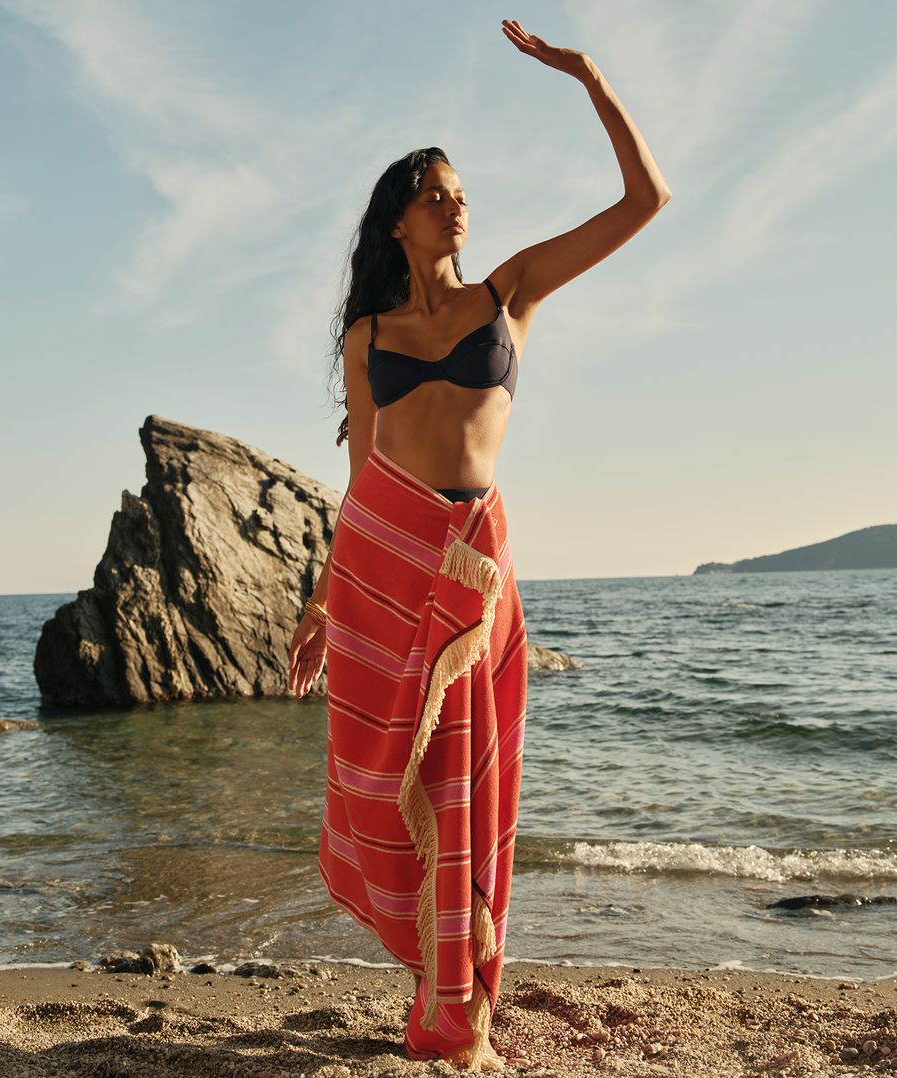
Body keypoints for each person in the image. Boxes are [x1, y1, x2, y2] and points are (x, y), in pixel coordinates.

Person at [284, 20, 671, 1071]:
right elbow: (360, 475)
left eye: (459, 190)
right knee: (379, 787)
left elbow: (645, 202)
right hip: (386, 559)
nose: (455, 202)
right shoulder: (366, 337)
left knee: (464, 785)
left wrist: (588, 78)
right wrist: (322, 607)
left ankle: (462, 1015)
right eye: (433, 193)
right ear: (398, 223)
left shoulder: (509, 292)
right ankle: (430, 985)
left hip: (472, 567)